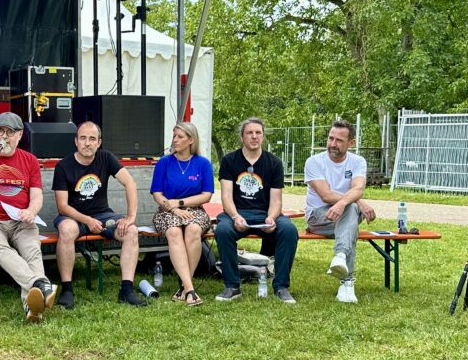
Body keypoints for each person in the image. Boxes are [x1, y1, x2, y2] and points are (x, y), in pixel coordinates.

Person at [0, 112, 57, 323]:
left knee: (32, 250)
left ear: (20, 135)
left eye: (10, 132)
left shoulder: (29, 160)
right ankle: (40, 284)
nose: (4, 137)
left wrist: (31, 211)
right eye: (0, 131)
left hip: (21, 220)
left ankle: (33, 308)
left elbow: (37, 195)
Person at [52, 121, 147, 309]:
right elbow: (62, 206)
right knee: (67, 229)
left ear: (99, 142)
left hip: (103, 215)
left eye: (92, 139)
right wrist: (87, 220)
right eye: (83, 138)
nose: (87, 143)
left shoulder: (106, 158)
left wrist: (130, 217)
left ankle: (126, 290)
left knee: (131, 231)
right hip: (74, 216)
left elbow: (130, 183)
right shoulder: (63, 166)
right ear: (76, 141)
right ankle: (67, 289)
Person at [215, 117, 299, 303]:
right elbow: (226, 197)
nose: (254, 136)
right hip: (237, 213)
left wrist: (271, 218)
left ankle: (281, 287)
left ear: (263, 136)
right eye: (249, 133)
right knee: (222, 230)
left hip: (264, 214)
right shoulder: (229, 160)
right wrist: (235, 216)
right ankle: (232, 286)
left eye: (258, 133)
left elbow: (276, 200)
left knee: (289, 230)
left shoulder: (274, 163)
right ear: (242, 137)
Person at [304, 119, 376, 303]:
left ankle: (340, 257)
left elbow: (358, 188)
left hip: (345, 215)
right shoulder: (314, 162)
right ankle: (347, 282)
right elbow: (326, 195)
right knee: (351, 215)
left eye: (339, 140)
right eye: (331, 138)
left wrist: (345, 202)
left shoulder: (358, 161)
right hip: (318, 217)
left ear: (351, 143)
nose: (333, 144)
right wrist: (355, 201)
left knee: (349, 214)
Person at [150, 122, 214, 306]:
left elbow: (206, 195)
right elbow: (157, 194)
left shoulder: (203, 164)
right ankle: (190, 290)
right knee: (174, 231)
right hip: (167, 210)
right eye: (174, 136)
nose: (175, 140)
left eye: (180, 136)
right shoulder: (164, 163)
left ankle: (185, 287)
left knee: (193, 229)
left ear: (191, 140)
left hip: (194, 209)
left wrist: (180, 203)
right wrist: (174, 209)